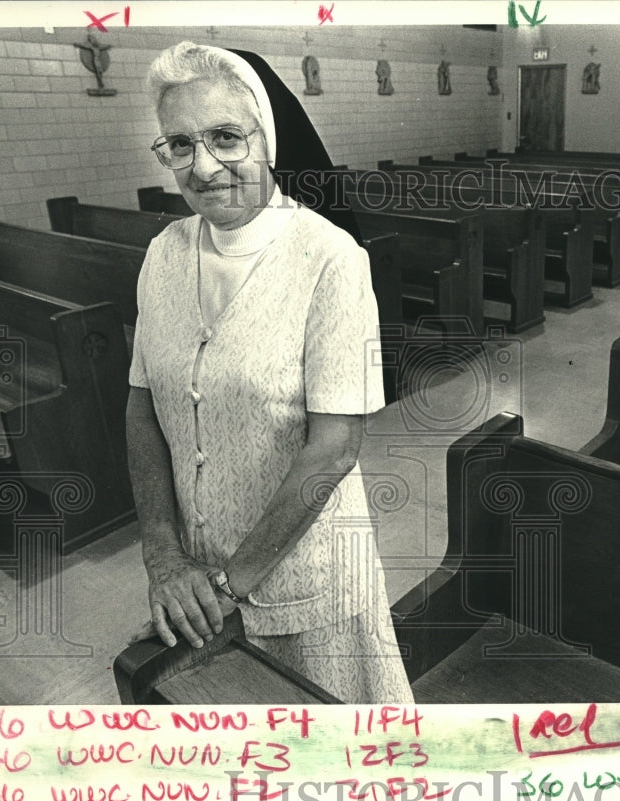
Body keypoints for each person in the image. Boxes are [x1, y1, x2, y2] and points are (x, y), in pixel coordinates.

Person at [126, 41, 413, 704]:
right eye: (178, 145)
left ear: (268, 138)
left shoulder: (330, 259)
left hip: (308, 583)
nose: (203, 167)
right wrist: (165, 558)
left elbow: (335, 448)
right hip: (198, 580)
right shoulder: (163, 255)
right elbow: (143, 409)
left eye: (227, 137)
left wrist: (232, 587)